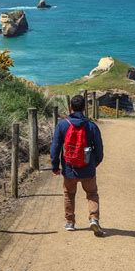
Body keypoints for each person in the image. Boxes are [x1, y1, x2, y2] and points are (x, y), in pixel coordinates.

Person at [50, 93, 104, 235]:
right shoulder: (91, 126)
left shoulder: (62, 125)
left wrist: (55, 166)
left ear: (70, 107)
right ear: (84, 108)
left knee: (69, 194)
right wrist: (94, 163)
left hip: (69, 169)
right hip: (88, 168)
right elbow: (99, 148)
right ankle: (94, 219)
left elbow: (55, 147)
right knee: (92, 193)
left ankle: (70, 222)